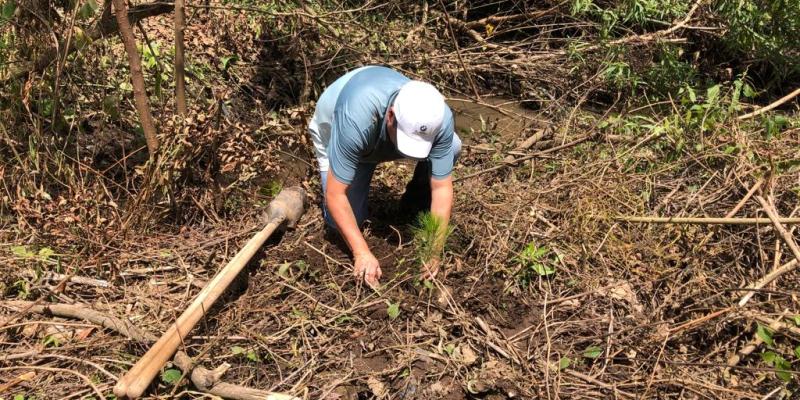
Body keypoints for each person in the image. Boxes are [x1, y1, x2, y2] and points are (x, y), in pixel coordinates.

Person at [308, 65, 461, 287]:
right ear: (391, 116)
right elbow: (335, 194)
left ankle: (414, 205)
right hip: (336, 128)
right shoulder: (355, 117)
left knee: (453, 146)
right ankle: (356, 169)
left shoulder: (439, 117)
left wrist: (433, 250)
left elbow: (442, 188)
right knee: (338, 224)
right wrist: (362, 252)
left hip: (378, 134)